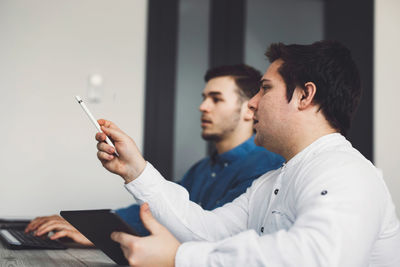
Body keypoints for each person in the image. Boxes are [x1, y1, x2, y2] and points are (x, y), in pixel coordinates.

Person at [95, 40, 400, 266]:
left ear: (305, 96)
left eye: (265, 89)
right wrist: (135, 170)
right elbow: (206, 231)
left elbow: (318, 256)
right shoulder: (269, 183)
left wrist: (180, 258)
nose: (252, 103)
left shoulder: (348, 172)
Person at [24, 64, 284, 244]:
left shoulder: (266, 171)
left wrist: (100, 236)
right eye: (204, 97)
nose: (202, 106)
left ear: (250, 108)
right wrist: (91, 228)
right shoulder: (202, 168)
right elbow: (156, 211)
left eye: (216, 99)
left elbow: (203, 234)